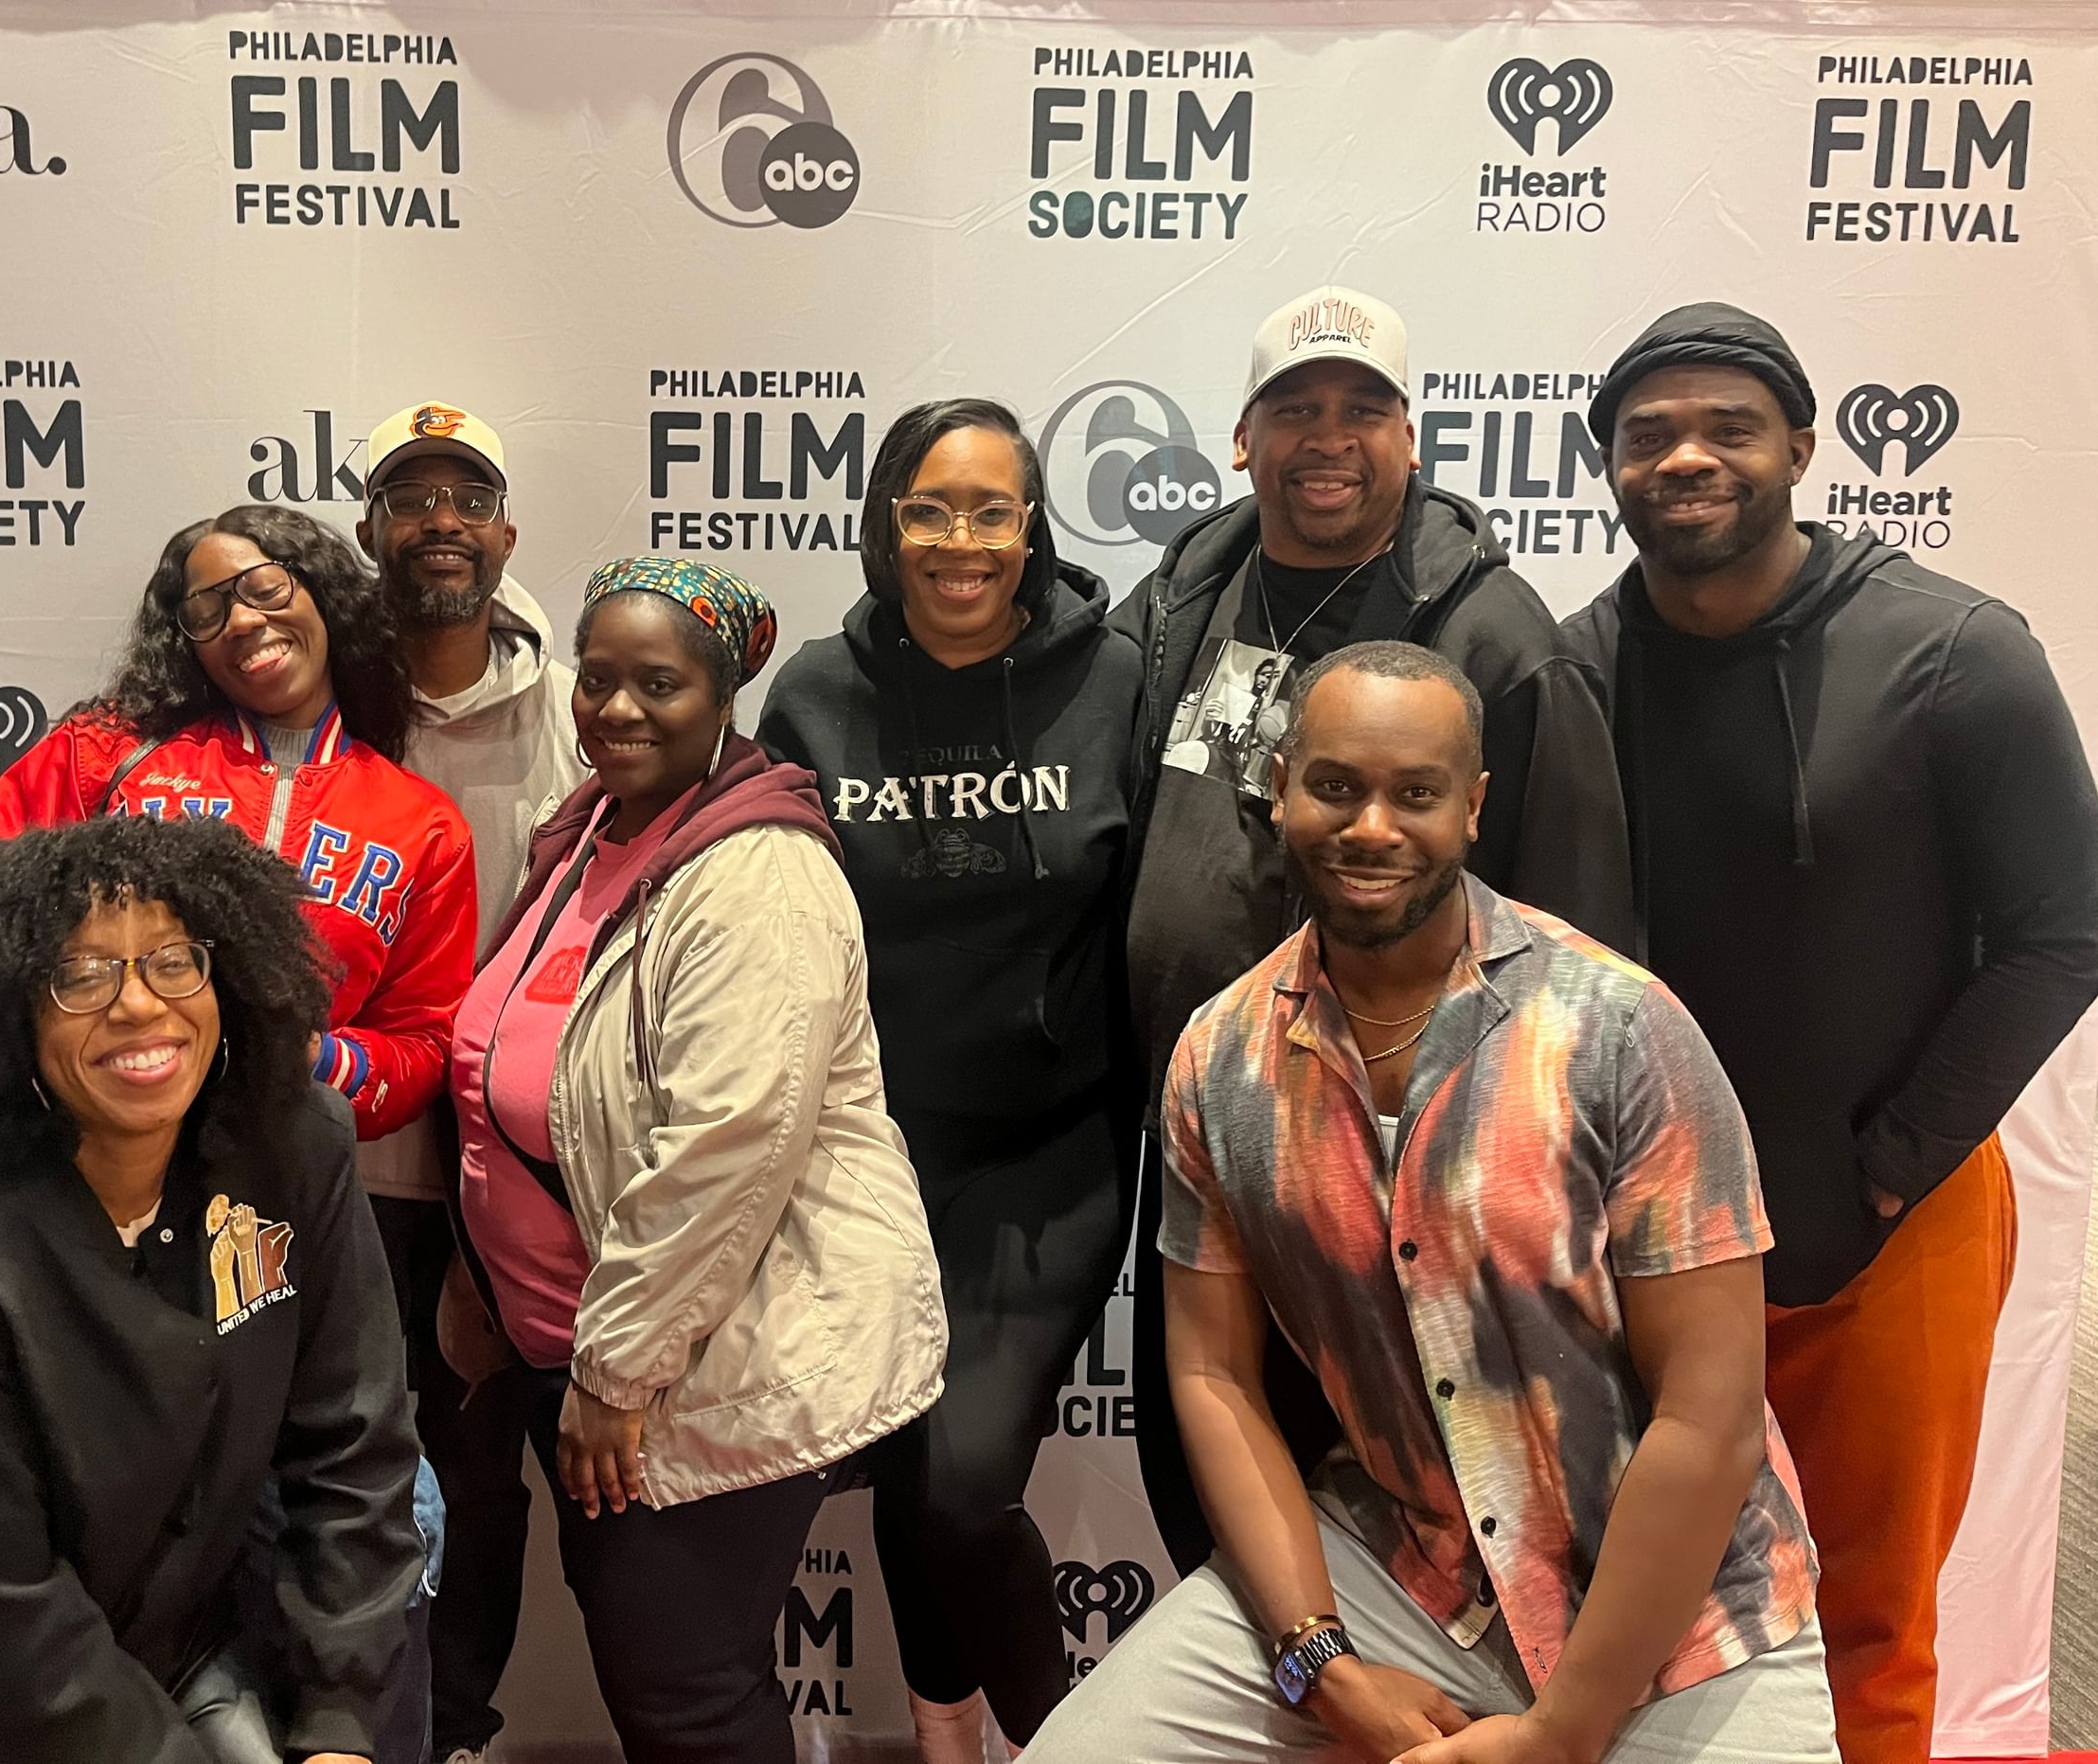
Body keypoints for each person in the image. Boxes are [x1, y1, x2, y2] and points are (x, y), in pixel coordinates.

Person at [1025, 642, 1837, 1764]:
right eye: (1335, 786)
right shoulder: (1221, 1058)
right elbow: (1211, 1376)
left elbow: (1710, 1418)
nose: (1371, 828)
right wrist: (1322, 1668)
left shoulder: (1618, 1029)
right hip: (1404, 1565)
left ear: (1471, 808)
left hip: (1683, 1611)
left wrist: (1562, 1733)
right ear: (1279, 788)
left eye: (1414, 794)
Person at [1562, 303, 2098, 1764]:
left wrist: (1894, 1158)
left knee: (1872, 1619)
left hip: (1888, 1233)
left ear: (1801, 445)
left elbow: (2067, 926)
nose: (1686, 457)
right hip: (1643, 1251)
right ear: (1605, 465)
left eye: (1727, 426)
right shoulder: (1569, 673)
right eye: (1648, 433)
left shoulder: (1954, 650)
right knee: (1632, 1612)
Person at [1114, 285, 1634, 1576]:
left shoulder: (1490, 630)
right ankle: (1283, 1690)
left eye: (1362, 408)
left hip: (1404, 1157)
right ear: (1245, 437)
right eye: (1295, 409)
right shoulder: (1189, 591)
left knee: (1414, 1505)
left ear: (1412, 436)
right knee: (1207, 1478)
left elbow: (1575, 918)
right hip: (1201, 1128)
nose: (1326, 437)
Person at [0, 815, 422, 1764]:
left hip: (165, 1661)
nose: (141, 1006)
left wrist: (339, 1724)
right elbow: (5, 1648)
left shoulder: (293, 1149)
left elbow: (350, 1445)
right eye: (80, 975)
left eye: (171, 962)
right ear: (8, 1020)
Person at [447, 556, 948, 1762]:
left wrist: (616, 1380)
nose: (616, 709)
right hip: (575, 1342)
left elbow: (721, 1157)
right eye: (599, 680)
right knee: (666, 1679)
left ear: (724, 695)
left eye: (658, 684)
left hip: (688, 1364)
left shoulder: (756, 874)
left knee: (687, 1698)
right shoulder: (598, 834)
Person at [757, 399, 1144, 1758]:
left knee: (963, 1483)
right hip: (868, 1159)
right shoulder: (815, 690)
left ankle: (1063, 1747)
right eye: (932, 508)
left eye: (993, 508)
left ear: (1032, 526)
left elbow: (1169, 902)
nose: (962, 540)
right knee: (910, 1480)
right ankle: (945, 1735)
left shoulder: (1117, 679)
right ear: (888, 523)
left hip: (1052, 1150)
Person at [0, 504, 478, 1147]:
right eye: (207, 612)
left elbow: (425, 1044)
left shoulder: (424, 825)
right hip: (84, 1161)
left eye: (266, 588)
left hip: (275, 1175)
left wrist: (312, 1058)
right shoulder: (106, 755)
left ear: (324, 597)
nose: (242, 621)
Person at [355, 400, 588, 1764]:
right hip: (357, 1158)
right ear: (373, 530)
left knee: (483, 1473)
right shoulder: (327, 699)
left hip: (523, 1170)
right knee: (347, 1472)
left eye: (466, 493)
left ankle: (456, 1731)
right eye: (408, 494)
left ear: (503, 532)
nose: (439, 516)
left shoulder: (579, 706)